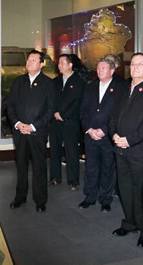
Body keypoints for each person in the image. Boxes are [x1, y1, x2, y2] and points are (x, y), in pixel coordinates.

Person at [109, 53, 143, 248]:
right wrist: (114, 134)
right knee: (125, 189)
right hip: (120, 150)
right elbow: (113, 116)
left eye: (140, 64)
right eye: (133, 64)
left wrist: (129, 140)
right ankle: (130, 222)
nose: (135, 67)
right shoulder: (123, 89)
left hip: (140, 151)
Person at [8, 50, 55, 212]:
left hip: (37, 132)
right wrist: (18, 124)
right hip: (20, 132)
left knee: (39, 167)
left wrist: (33, 126)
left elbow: (50, 110)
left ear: (41, 64)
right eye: (28, 59)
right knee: (21, 167)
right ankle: (20, 197)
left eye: (34, 60)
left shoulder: (48, 83)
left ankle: (40, 200)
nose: (29, 62)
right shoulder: (18, 82)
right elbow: (10, 106)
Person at [79, 57, 121, 212]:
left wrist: (104, 130)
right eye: (98, 68)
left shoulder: (120, 88)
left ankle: (105, 199)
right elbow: (83, 110)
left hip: (107, 136)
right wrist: (89, 129)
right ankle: (90, 197)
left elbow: (118, 114)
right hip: (90, 135)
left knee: (108, 168)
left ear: (112, 71)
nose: (99, 70)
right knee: (91, 167)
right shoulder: (90, 87)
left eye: (103, 68)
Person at [49, 54, 85, 190]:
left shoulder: (79, 82)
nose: (59, 65)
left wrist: (63, 115)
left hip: (70, 122)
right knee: (54, 150)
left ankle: (73, 180)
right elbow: (50, 100)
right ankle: (55, 177)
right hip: (55, 121)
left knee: (71, 152)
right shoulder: (55, 82)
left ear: (70, 65)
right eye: (59, 63)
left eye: (63, 63)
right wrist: (54, 113)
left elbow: (78, 102)